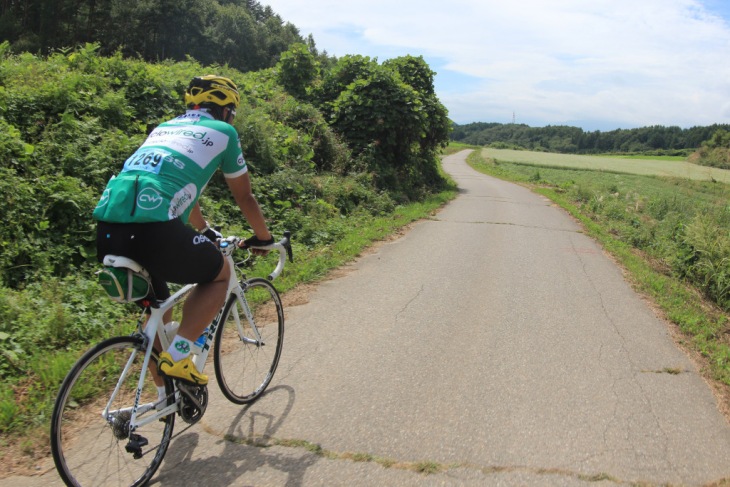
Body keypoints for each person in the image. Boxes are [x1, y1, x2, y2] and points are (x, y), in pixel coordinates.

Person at [93, 75, 273, 390]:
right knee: (220, 273)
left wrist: (203, 229)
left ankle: (165, 399)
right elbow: (244, 197)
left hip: (109, 228)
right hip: (152, 230)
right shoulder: (224, 132)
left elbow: (179, 190)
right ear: (226, 109)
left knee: (159, 314)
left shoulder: (163, 128)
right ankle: (178, 357)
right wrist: (264, 238)